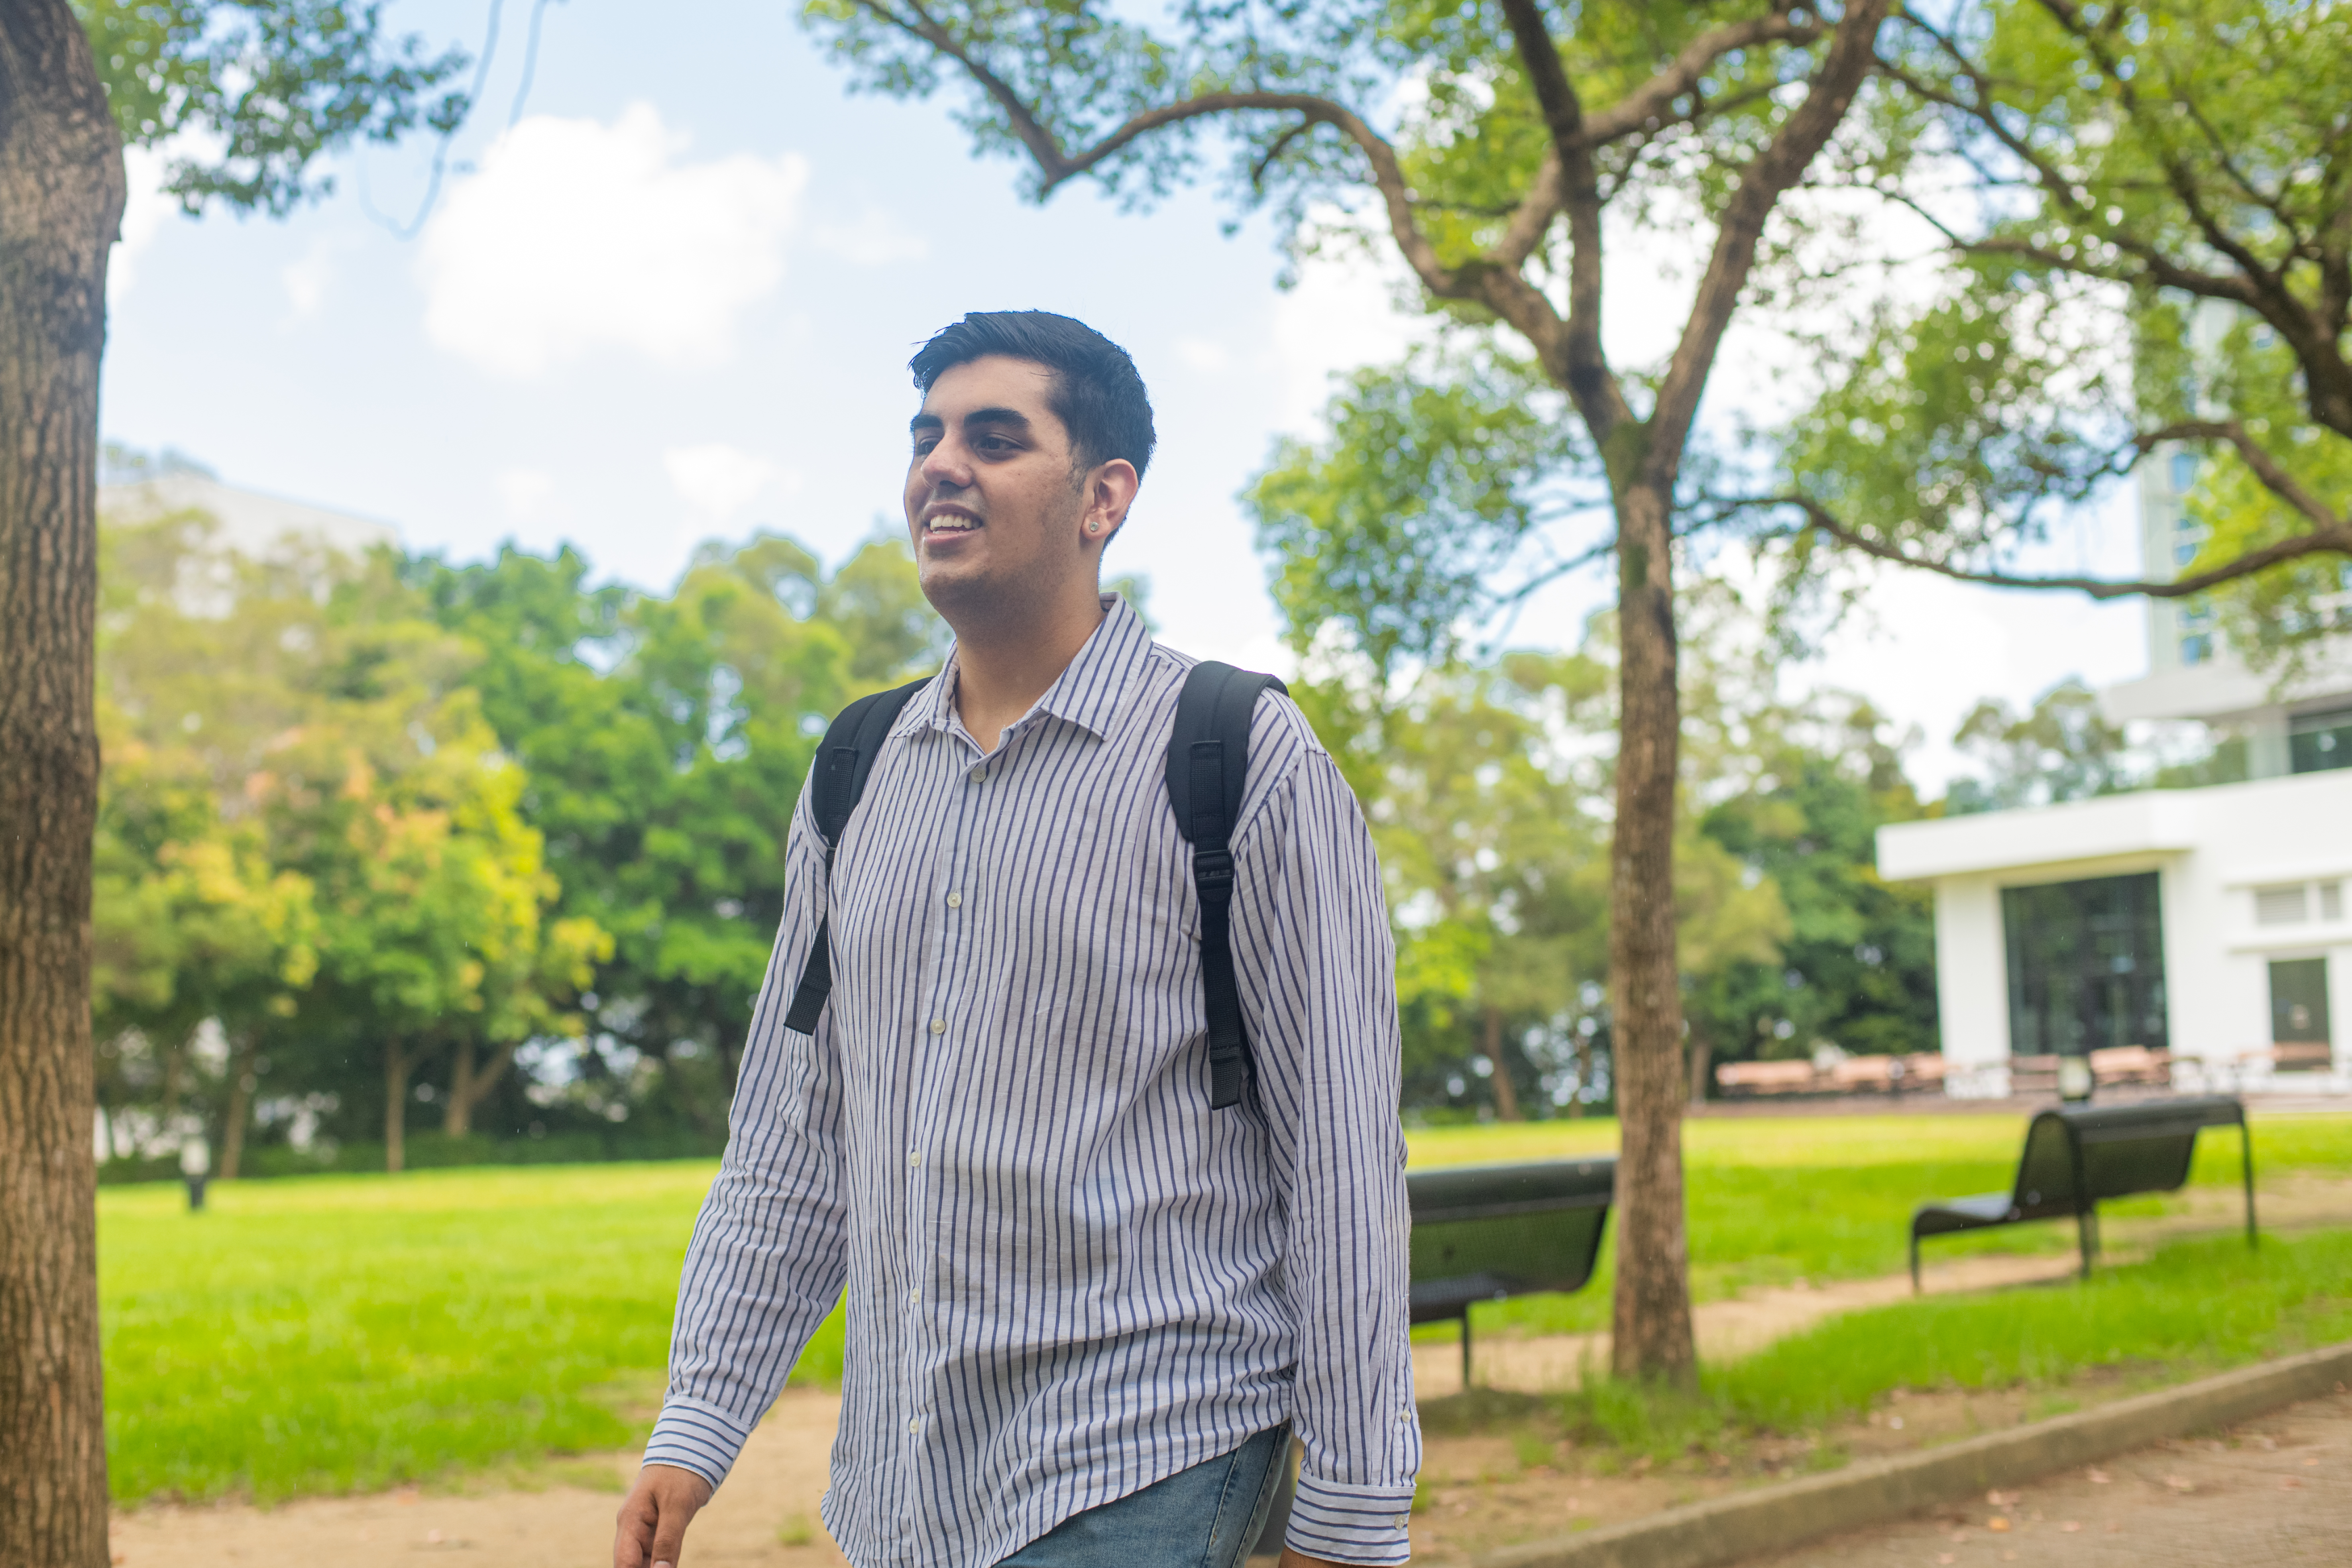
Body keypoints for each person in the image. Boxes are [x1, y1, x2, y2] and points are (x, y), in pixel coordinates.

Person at [613, 311, 1418, 1568]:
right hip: (905, 1486)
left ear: (1105, 497)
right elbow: (791, 1130)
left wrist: (1355, 1513)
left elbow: (1343, 1149)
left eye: (995, 438)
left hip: (1152, 1448)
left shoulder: (1235, 755)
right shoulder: (855, 772)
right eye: (927, 436)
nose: (942, 465)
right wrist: (699, 1418)